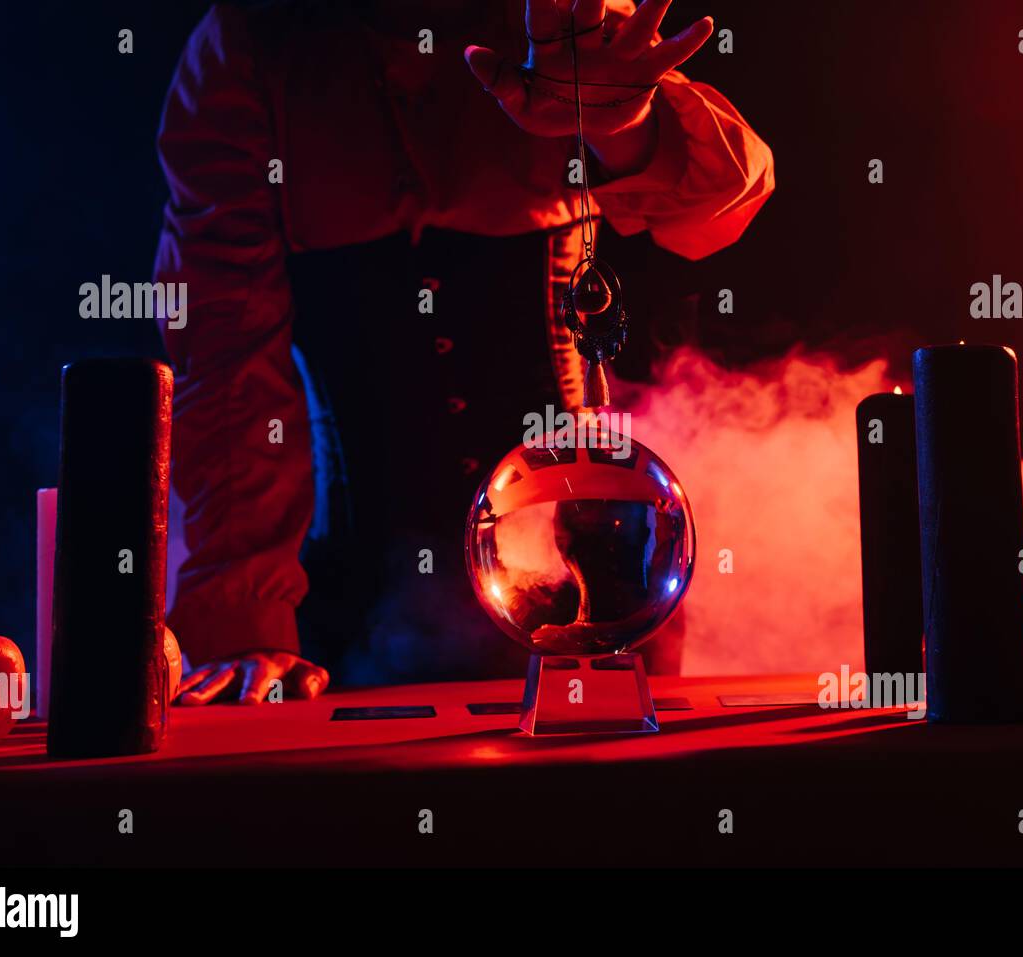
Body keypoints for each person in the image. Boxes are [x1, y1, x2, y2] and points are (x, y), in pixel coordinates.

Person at [153, 0, 775, 704]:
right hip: (345, 609)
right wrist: (242, 613)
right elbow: (226, 352)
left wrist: (623, 123)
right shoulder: (247, 45)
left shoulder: (563, 14)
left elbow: (721, 206)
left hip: (599, 597)